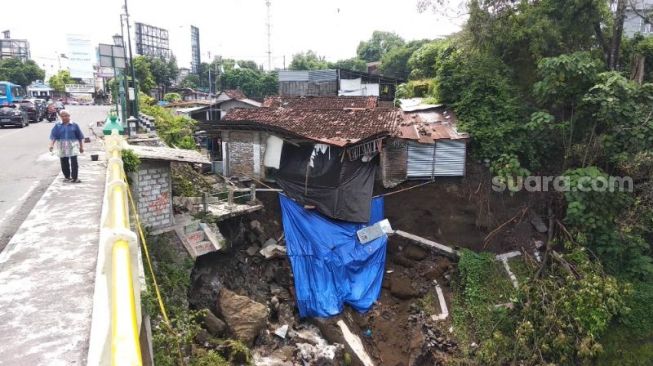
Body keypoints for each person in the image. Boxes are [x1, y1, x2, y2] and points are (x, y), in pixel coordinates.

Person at [48, 110, 84, 183]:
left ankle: (75, 177)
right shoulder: (57, 125)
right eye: (62, 116)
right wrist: (51, 145)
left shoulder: (74, 125)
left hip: (72, 144)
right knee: (64, 161)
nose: (64, 117)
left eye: (66, 116)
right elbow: (54, 136)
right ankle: (67, 177)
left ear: (69, 116)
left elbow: (80, 137)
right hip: (62, 144)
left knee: (74, 161)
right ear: (60, 117)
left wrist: (81, 147)